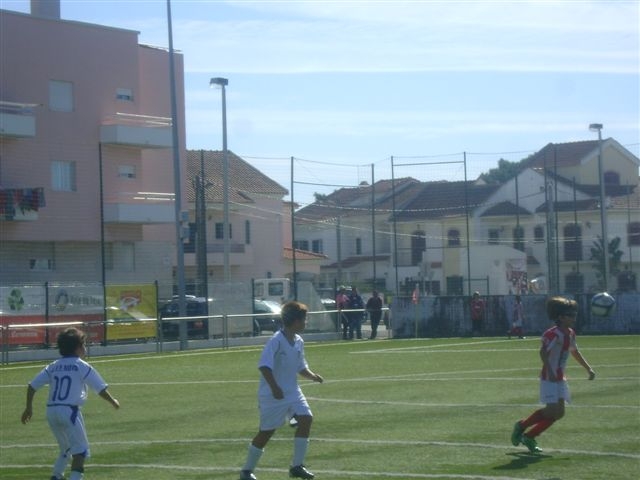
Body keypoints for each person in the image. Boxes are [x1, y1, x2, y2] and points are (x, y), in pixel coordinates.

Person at [239, 301, 324, 480]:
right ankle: (246, 471)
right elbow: (264, 366)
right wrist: (275, 388)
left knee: (306, 418)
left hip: (293, 392)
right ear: (296, 321)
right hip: (272, 396)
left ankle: (297, 466)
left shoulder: (299, 341)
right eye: (304, 319)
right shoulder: (276, 341)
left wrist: (313, 376)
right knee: (266, 432)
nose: (306, 322)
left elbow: (301, 367)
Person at [21, 327, 120, 480]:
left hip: (51, 412)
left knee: (66, 449)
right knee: (80, 451)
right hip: (70, 411)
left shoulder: (53, 366)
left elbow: (32, 386)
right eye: (84, 344)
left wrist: (29, 408)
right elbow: (100, 388)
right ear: (78, 347)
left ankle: (56, 476)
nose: (85, 348)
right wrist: (113, 401)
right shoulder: (81, 365)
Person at [510, 296, 595, 453]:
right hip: (549, 377)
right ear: (561, 317)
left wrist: (588, 368)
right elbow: (543, 352)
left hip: (560, 377)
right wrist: (549, 370)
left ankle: (529, 436)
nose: (574, 318)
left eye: (575, 314)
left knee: (559, 413)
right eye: (571, 315)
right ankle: (521, 426)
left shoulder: (570, 333)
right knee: (551, 411)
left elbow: (575, 351)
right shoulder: (553, 334)